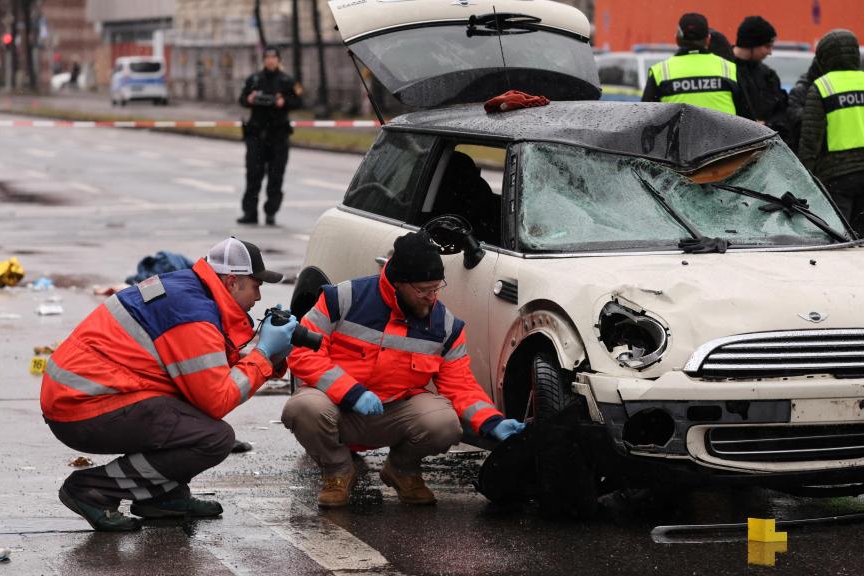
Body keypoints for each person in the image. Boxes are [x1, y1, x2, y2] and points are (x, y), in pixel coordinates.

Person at [41, 237, 297, 531]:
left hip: (83, 395)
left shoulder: (190, 291)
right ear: (231, 283)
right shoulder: (192, 315)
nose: (260, 297)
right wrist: (263, 354)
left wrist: (272, 355)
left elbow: (206, 363)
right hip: (83, 406)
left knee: (189, 414)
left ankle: (162, 496)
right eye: (256, 285)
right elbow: (217, 398)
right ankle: (92, 489)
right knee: (212, 438)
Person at [281, 231, 525, 508]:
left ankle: (402, 469)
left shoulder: (445, 326)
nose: (431, 298)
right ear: (398, 283)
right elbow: (303, 355)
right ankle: (338, 471)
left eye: (436, 288)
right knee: (302, 408)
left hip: (395, 413)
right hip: (339, 407)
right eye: (423, 290)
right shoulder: (342, 299)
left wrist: (493, 422)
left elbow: (461, 386)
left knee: (444, 424)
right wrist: (351, 393)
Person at [797, 29, 864, 238]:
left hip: (837, 177)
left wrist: (805, 182)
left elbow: (810, 142)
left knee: (836, 244)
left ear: (824, 57)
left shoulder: (822, 87)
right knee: (860, 244)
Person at [642, 12, 753, 119]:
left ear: (677, 39)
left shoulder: (660, 72)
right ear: (708, 39)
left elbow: (644, 119)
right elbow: (748, 120)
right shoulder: (729, 69)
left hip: (679, 138)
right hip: (725, 138)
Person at [237, 46, 303, 226]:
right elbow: (242, 99)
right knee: (253, 174)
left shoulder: (287, 81)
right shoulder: (254, 79)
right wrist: (249, 99)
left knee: (276, 176)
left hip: (278, 135)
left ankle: (271, 212)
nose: (270, 60)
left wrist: (284, 102)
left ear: (278, 60)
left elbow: (299, 102)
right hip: (256, 134)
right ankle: (250, 213)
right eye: (267, 57)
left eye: (273, 57)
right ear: (264, 60)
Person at [732, 16, 790, 143]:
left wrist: (768, 125)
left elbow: (782, 111)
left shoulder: (768, 75)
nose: (770, 52)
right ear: (752, 44)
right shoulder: (726, 71)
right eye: (767, 46)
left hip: (765, 147)